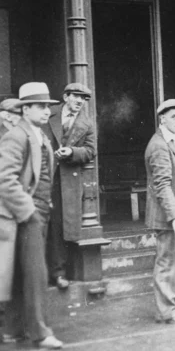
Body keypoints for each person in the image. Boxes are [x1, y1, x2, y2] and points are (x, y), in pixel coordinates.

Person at [0, 82, 64, 349]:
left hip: (38, 212)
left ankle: (13, 330)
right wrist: (28, 213)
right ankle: (40, 332)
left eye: (48, 107)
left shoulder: (39, 135)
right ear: (25, 109)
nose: (46, 111)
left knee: (21, 273)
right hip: (25, 215)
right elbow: (5, 179)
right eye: (40, 106)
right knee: (36, 274)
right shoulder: (17, 136)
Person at [144, 98, 175, 324]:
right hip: (168, 216)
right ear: (162, 118)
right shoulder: (160, 145)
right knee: (167, 263)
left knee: (173, 262)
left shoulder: (172, 142)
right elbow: (162, 184)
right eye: (174, 116)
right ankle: (167, 311)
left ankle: (172, 307)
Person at [43, 83, 96, 290]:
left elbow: (91, 151)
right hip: (43, 175)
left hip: (67, 180)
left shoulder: (86, 123)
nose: (80, 102)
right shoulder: (48, 113)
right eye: (76, 97)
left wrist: (72, 152)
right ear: (66, 96)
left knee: (60, 226)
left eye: (83, 99)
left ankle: (59, 272)